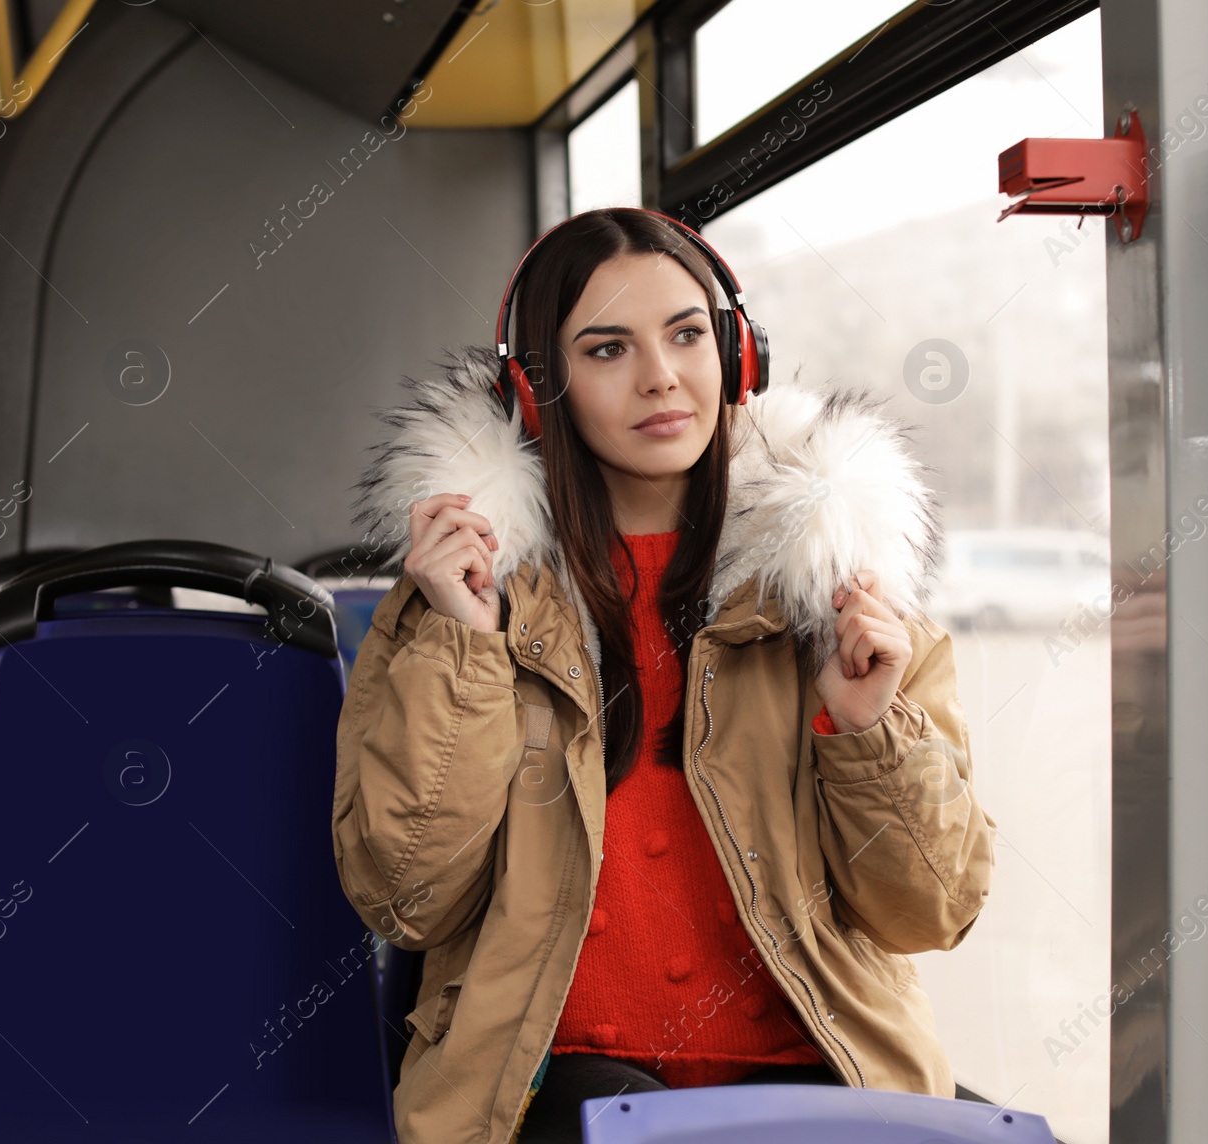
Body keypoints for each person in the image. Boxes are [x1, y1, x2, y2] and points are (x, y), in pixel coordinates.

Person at [332, 207, 997, 1144]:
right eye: (607, 350)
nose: (661, 378)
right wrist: (467, 648)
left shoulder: (842, 591)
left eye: (687, 335)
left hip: (820, 1078)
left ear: (738, 355)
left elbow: (930, 908)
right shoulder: (458, 606)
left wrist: (865, 730)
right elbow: (407, 893)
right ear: (536, 391)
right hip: (554, 1086)